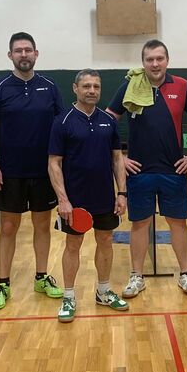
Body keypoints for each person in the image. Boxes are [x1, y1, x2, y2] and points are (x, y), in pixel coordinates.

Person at [106, 39, 187, 298]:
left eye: (159, 58)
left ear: (167, 60)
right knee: (139, 224)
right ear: (143, 62)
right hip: (139, 171)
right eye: (149, 59)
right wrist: (121, 158)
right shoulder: (130, 86)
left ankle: (186, 274)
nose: (155, 64)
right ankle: (136, 276)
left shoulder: (182, 86)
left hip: (173, 170)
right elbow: (107, 121)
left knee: (178, 223)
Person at [0, 32, 65, 310]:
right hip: (11, 171)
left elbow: (60, 127)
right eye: (18, 50)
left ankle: (41, 277)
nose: (23, 55)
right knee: (8, 227)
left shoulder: (50, 86)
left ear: (36, 54)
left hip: (43, 171)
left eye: (28, 50)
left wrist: (60, 165)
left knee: (42, 225)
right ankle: (3, 283)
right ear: (10, 55)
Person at [48, 69, 129, 323]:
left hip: (105, 197)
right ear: (75, 88)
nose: (92, 90)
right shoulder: (62, 121)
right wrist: (63, 200)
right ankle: (69, 297)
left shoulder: (108, 121)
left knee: (106, 241)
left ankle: (103, 292)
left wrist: (122, 193)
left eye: (96, 86)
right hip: (75, 200)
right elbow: (54, 163)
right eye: (86, 86)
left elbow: (117, 159)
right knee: (73, 245)